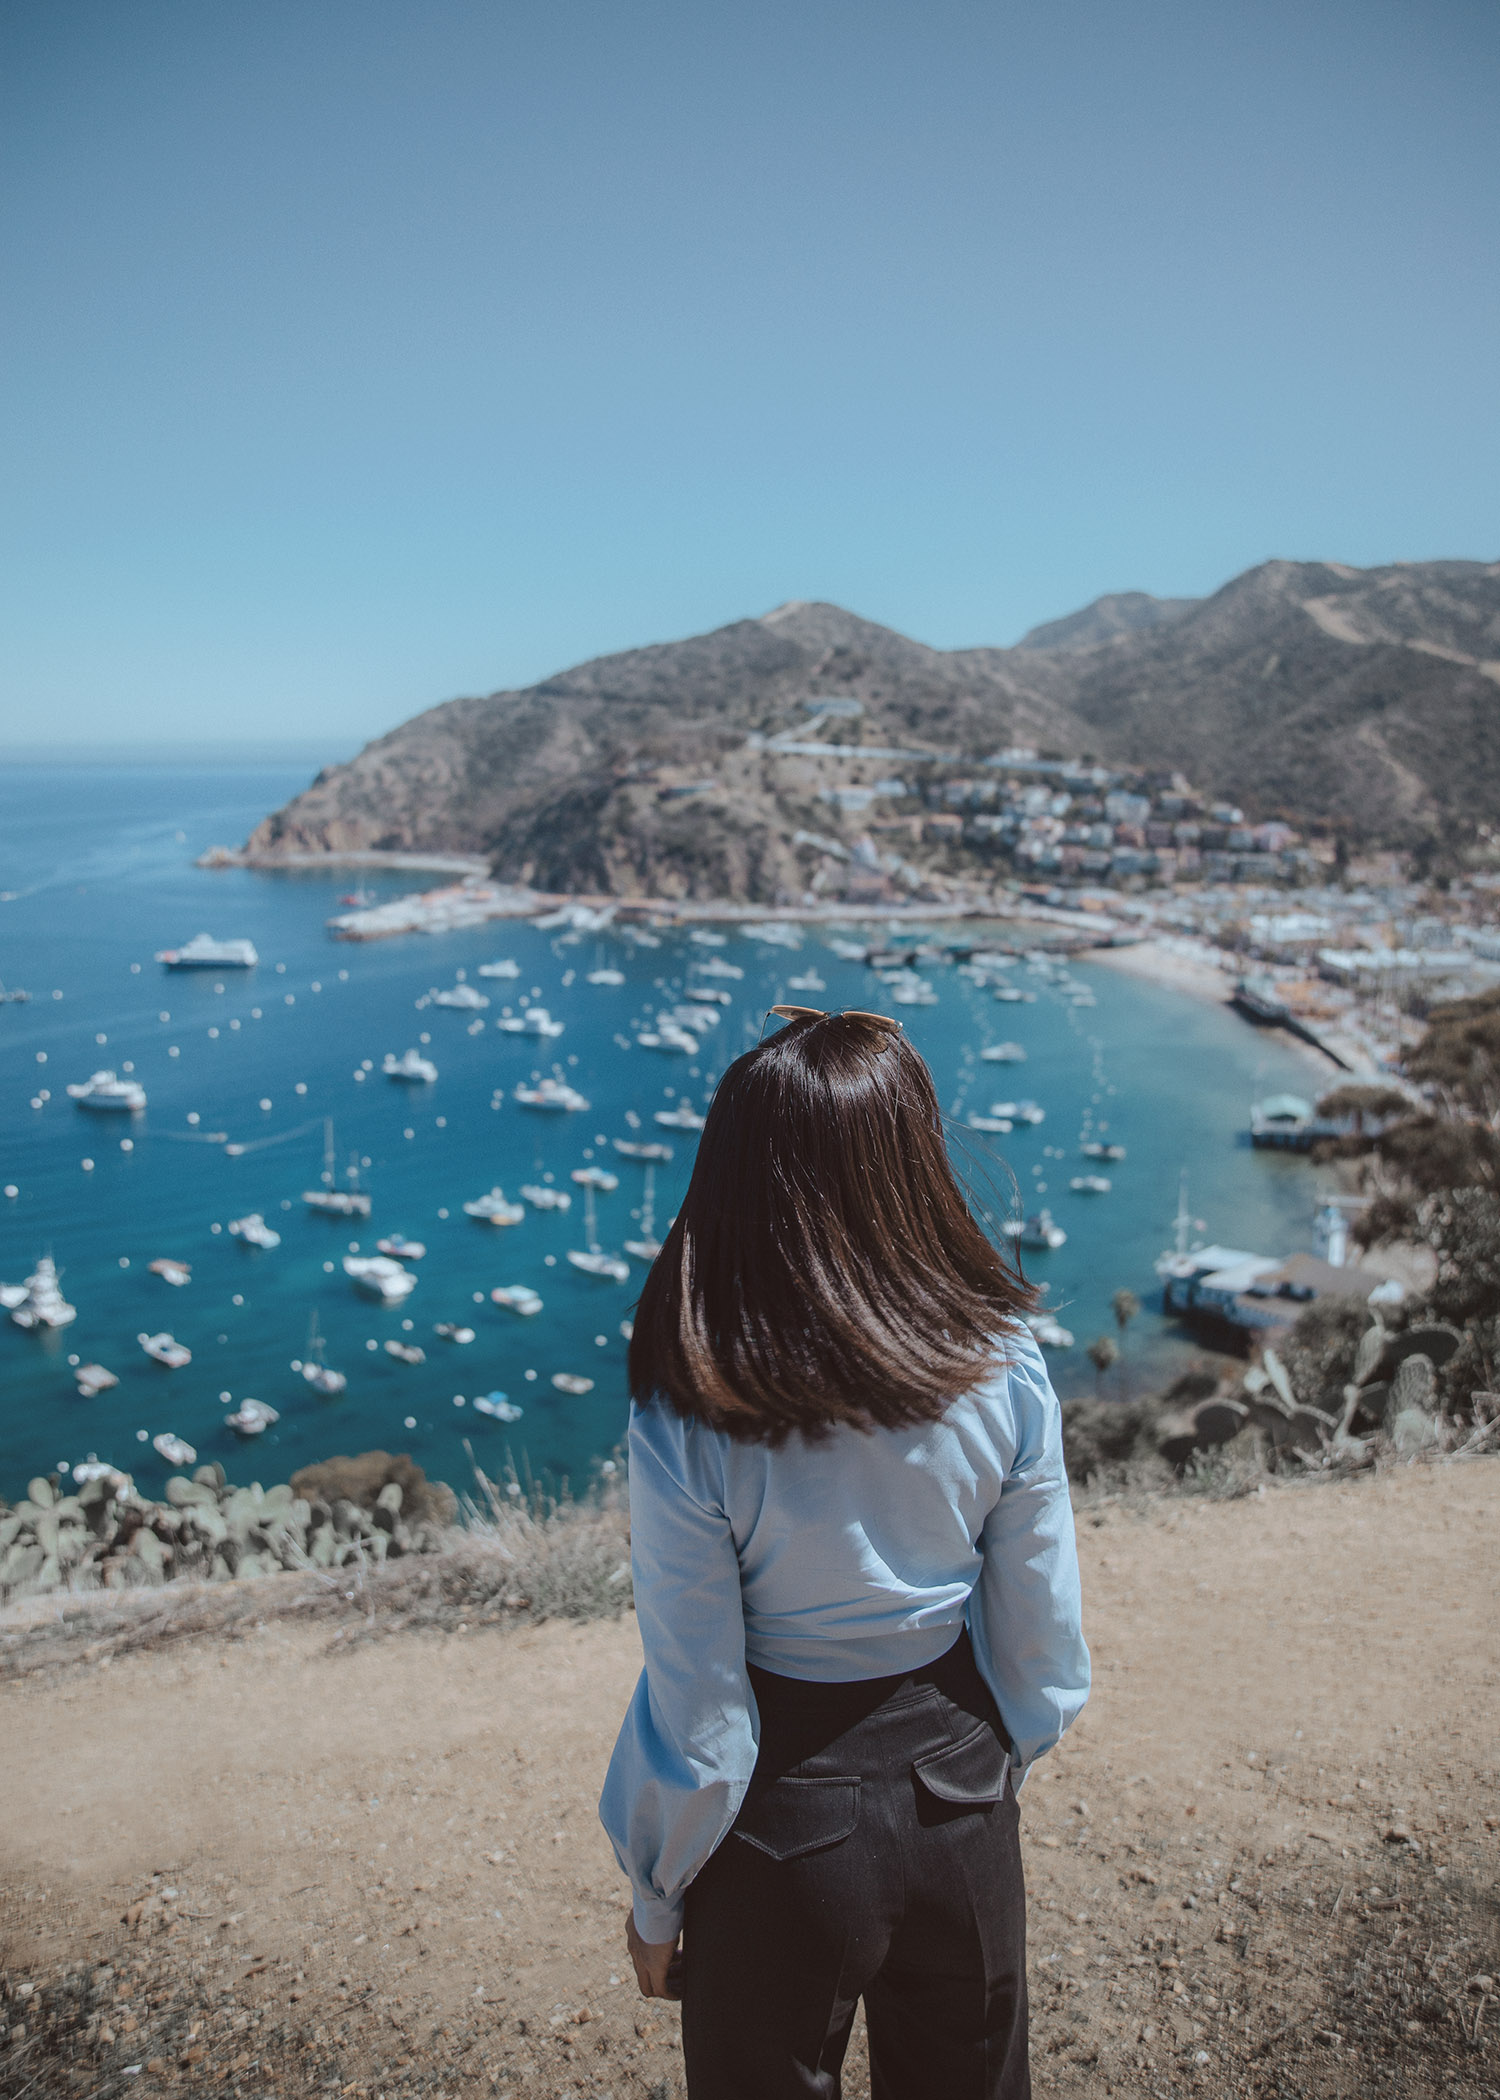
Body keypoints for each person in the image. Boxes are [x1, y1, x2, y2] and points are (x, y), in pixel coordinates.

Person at [599, 1005, 1089, 2099]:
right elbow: (1043, 1628)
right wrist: (999, 1761)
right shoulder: (1004, 1360)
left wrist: (658, 1897)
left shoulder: (690, 1405)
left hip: (775, 1827)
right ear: (910, 1160)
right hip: (962, 1788)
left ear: (734, 1179)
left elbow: (702, 1707)